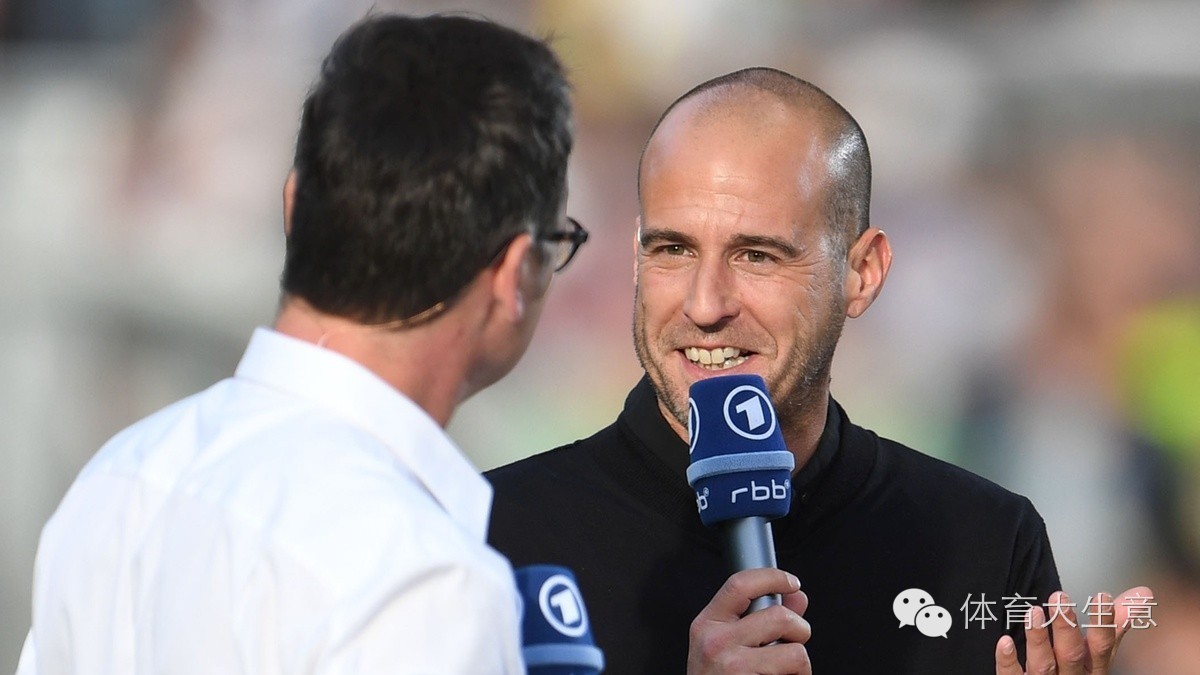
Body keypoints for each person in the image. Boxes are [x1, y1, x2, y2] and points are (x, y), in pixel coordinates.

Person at [487, 67, 1151, 674]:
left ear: (862, 273)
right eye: (673, 249)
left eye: (757, 256)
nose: (705, 304)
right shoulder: (493, 536)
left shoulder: (984, 539)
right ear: (635, 259)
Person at [19, 13, 582, 673]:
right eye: (558, 244)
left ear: (293, 209)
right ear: (517, 273)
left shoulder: (118, 478)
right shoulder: (424, 581)